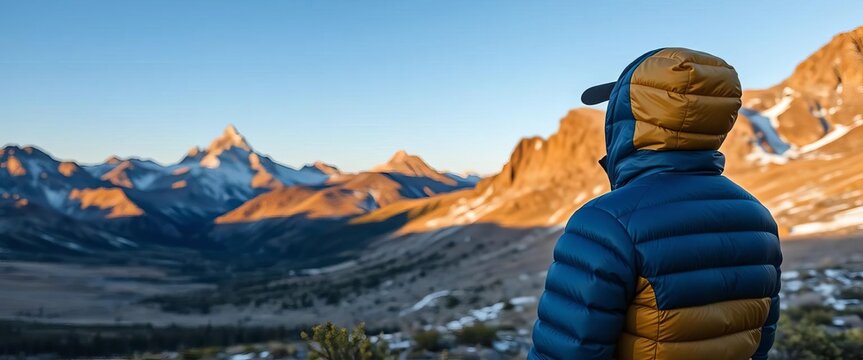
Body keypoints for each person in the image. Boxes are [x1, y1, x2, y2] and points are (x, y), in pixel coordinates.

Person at [528, 48, 782, 360]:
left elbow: (567, 352)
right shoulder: (758, 218)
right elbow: (760, 342)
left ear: (627, 118)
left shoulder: (605, 223)